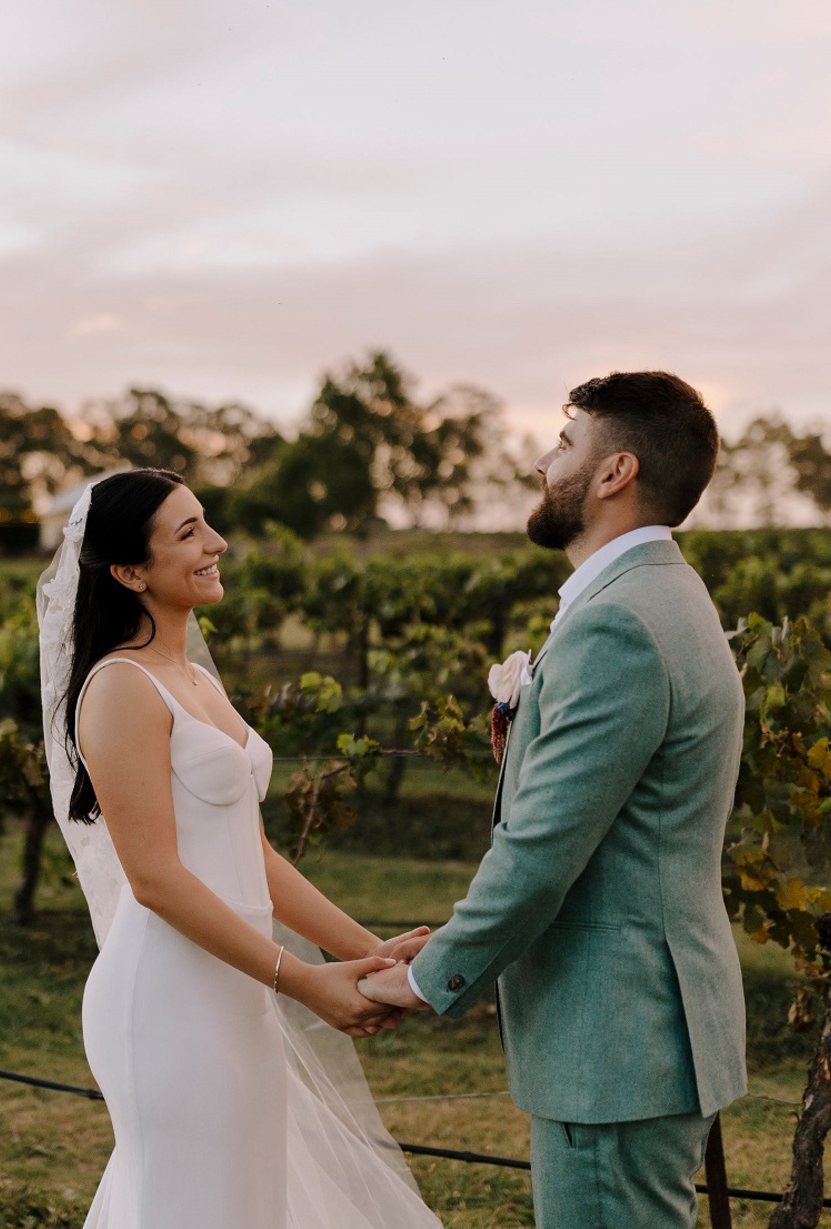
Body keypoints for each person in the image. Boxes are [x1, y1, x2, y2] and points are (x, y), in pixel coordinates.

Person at [359, 371, 748, 1229]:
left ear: (616, 473)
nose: (542, 460)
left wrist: (428, 980)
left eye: (565, 444)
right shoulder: (664, 597)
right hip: (644, 1031)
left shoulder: (619, 624)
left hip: (615, 1040)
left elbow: (539, 853)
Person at [39, 469, 439, 1229]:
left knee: (246, 1199)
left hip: (236, 990)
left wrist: (367, 950)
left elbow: (251, 853)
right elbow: (154, 878)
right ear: (128, 571)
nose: (216, 543)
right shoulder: (120, 686)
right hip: (167, 999)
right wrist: (306, 982)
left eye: (206, 523)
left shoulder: (193, 679)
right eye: (187, 533)